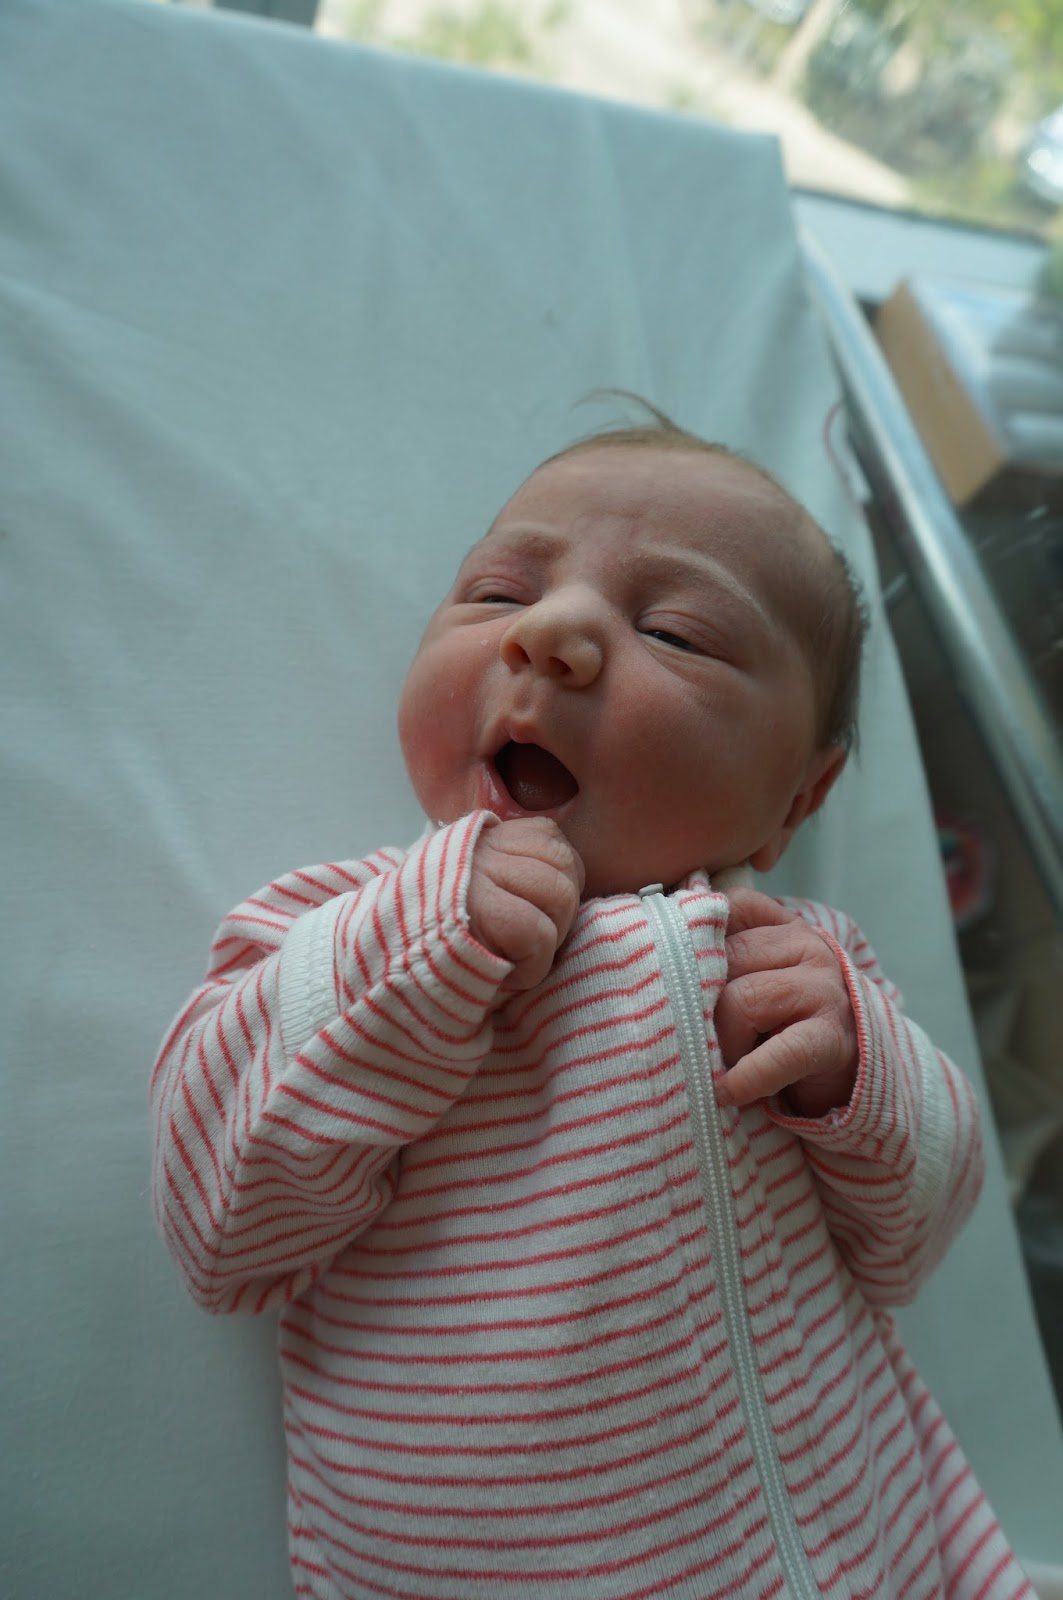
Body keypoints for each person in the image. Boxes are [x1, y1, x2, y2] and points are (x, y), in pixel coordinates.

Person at [151, 413, 1033, 1600]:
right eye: (497, 593)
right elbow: (219, 1229)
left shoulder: (798, 962)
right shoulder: (333, 930)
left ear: (794, 799)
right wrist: (415, 944)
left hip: (879, 1551)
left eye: (675, 631)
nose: (550, 633)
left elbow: (917, 1235)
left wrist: (858, 1069)